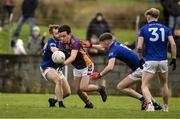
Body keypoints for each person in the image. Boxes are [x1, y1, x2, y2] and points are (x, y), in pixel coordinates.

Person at [82, 33, 162, 111]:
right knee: (140, 90)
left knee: (120, 87)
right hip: (145, 67)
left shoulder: (113, 50)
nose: (100, 45)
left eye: (101, 43)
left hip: (140, 70)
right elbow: (103, 48)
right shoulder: (115, 44)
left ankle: (144, 100)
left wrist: (100, 74)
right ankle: (155, 105)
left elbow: (110, 67)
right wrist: (91, 46)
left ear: (106, 42)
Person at [57, 25, 107, 108]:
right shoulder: (61, 43)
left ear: (69, 34)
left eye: (64, 36)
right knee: (78, 90)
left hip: (87, 65)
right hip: (77, 68)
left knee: (83, 87)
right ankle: (88, 104)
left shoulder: (75, 42)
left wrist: (63, 63)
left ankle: (100, 88)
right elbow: (62, 55)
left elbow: (72, 57)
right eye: (61, 36)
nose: (62, 38)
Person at [137, 8, 177, 112]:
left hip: (150, 60)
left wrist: (141, 58)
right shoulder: (166, 28)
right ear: (157, 17)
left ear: (148, 16)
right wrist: (174, 58)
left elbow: (139, 46)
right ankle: (165, 107)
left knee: (144, 85)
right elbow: (173, 44)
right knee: (164, 84)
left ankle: (150, 105)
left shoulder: (144, 29)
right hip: (163, 60)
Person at [40, 24, 71, 108]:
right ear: (52, 34)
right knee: (58, 80)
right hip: (47, 67)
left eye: (59, 33)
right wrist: (64, 52)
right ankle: (60, 104)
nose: (58, 35)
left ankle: (53, 101)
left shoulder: (62, 41)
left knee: (67, 92)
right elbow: (54, 50)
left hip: (56, 69)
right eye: (56, 33)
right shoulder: (51, 41)